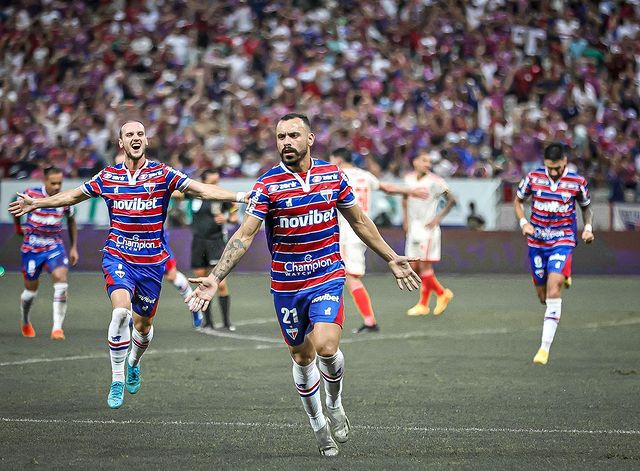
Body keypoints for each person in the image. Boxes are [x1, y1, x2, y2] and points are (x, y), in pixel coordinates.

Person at [186, 113, 421, 457]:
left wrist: (390, 256)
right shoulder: (267, 185)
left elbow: (358, 220)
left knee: (326, 347)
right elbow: (244, 235)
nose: (286, 142)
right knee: (302, 356)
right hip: (286, 284)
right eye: (280, 137)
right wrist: (215, 277)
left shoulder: (332, 175)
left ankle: (335, 402)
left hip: (326, 274)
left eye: (293, 135)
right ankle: (318, 426)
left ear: (310, 139)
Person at [9, 120, 245, 409]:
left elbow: (201, 190)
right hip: (117, 256)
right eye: (129, 134)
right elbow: (73, 195)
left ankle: (134, 361)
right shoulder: (107, 177)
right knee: (120, 312)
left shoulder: (163, 174)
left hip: (151, 263)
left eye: (140, 134)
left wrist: (241, 195)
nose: (136, 138)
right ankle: (117, 378)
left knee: (143, 326)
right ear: (121, 143)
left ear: (146, 141)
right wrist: (36, 204)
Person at [329, 147, 427, 333]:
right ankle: (354, 319)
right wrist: (410, 191)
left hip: (346, 232)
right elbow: (388, 188)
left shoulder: (336, 174)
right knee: (342, 276)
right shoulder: (365, 176)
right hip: (364, 230)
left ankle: (369, 321)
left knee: (348, 277)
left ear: (338, 159)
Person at [514, 142, 594, 365]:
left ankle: (544, 348)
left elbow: (586, 206)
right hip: (537, 241)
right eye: (550, 167)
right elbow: (518, 201)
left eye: (557, 167)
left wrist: (587, 228)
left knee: (553, 288)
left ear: (565, 162)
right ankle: (563, 274)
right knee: (543, 297)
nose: (554, 172)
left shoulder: (577, 182)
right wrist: (523, 223)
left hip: (562, 239)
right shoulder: (533, 178)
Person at [12, 166, 79, 339]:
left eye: (60, 183)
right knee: (30, 291)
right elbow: (15, 211)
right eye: (53, 183)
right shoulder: (30, 194)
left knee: (61, 282)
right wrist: (18, 228)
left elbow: (71, 220)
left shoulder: (64, 199)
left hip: (54, 246)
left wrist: (73, 247)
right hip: (32, 248)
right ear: (45, 181)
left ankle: (57, 328)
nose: (57, 187)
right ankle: (25, 320)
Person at [403, 151, 457, 317]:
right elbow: (404, 197)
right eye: (424, 160)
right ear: (415, 162)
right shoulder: (408, 178)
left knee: (425, 265)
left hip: (427, 229)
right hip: (414, 227)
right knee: (415, 267)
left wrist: (437, 219)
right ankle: (439, 295)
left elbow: (452, 200)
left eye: (429, 161)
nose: (428, 164)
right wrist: (405, 219)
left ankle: (428, 301)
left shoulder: (435, 181)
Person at [188, 169, 238, 332]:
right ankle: (207, 322)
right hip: (198, 242)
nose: (216, 185)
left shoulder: (221, 196)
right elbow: (176, 194)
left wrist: (228, 218)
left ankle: (226, 321)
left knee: (220, 283)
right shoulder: (194, 195)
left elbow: (234, 211)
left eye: (217, 181)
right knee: (201, 281)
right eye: (213, 182)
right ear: (203, 181)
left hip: (215, 242)